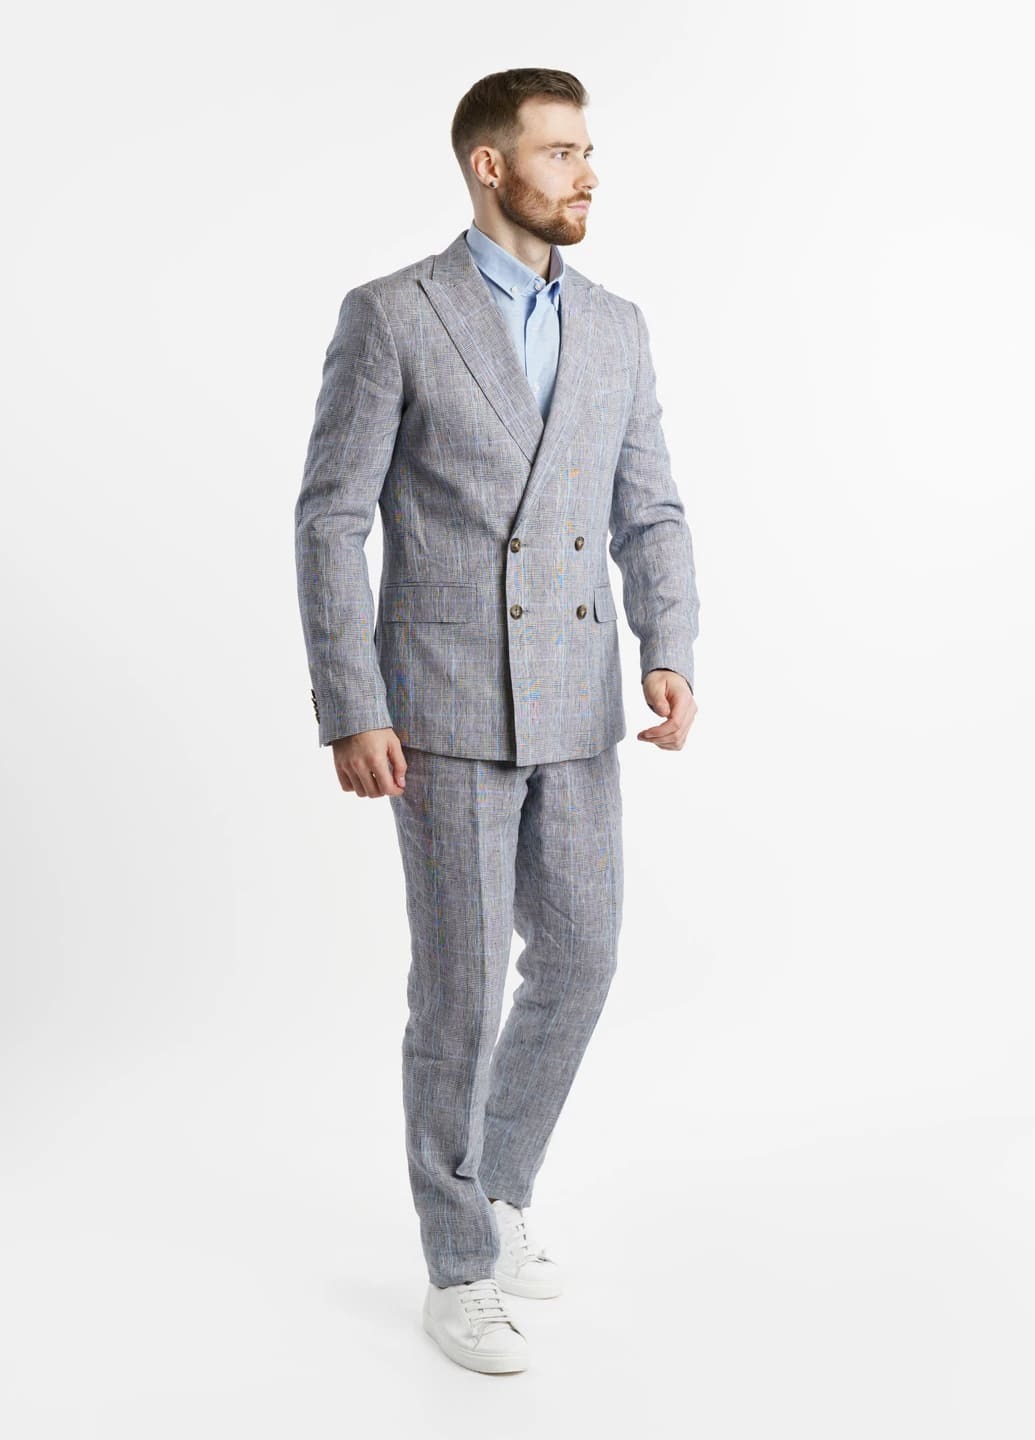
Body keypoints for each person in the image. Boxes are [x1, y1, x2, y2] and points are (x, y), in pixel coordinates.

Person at [294, 67, 701, 1374]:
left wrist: (669, 643)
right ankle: (458, 1262)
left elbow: (651, 505)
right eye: (562, 151)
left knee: (580, 962)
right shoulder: (394, 314)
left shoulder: (617, 326)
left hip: (579, 700)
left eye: (588, 150)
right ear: (490, 164)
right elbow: (331, 520)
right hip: (444, 703)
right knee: (461, 994)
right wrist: (352, 702)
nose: (588, 172)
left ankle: (499, 1186)